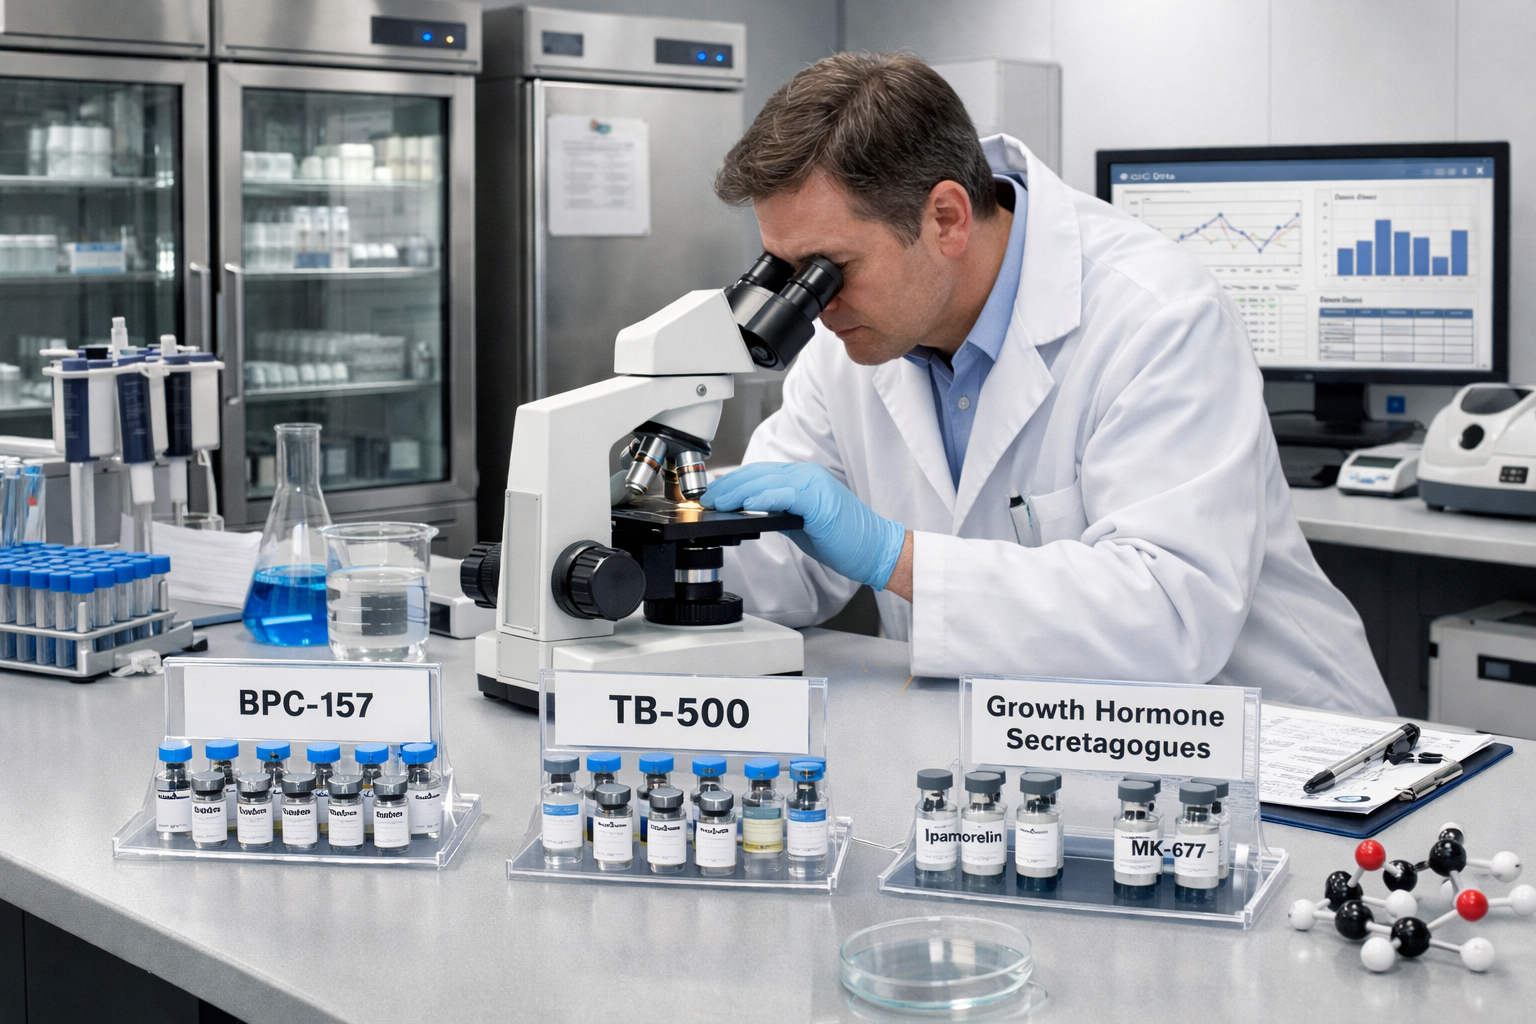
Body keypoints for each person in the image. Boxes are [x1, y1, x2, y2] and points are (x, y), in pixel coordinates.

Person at [702, 52, 1393, 715]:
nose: (811, 305)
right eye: (787, 272)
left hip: (1272, 750)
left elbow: (1168, 612)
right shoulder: (855, 341)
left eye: (828, 269)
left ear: (945, 218)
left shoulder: (1156, 315)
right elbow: (786, 566)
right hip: (1022, 743)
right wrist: (640, 542)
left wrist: (895, 556)